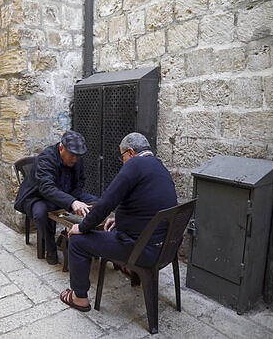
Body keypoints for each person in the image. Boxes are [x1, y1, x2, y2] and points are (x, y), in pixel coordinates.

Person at [59, 132, 177, 312]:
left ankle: (79, 297)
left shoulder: (134, 165)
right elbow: (147, 206)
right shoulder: (159, 166)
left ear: (130, 152)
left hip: (143, 251)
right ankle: (130, 271)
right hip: (165, 248)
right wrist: (120, 219)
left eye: (122, 156)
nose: (122, 161)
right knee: (111, 229)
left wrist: (81, 227)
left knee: (76, 241)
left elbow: (106, 202)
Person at [14, 130, 97, 265]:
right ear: (61, 148)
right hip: (39, 196)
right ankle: (50, 248)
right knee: (40, 213)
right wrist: (71, 202)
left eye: (78, 156)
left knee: (96, 203)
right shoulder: (46, 158)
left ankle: (70, 238)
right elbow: (46, 188)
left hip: (67, 193)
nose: (75, 159)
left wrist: (73, 199)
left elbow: (81, 180)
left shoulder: (76, 159)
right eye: (72, 155)